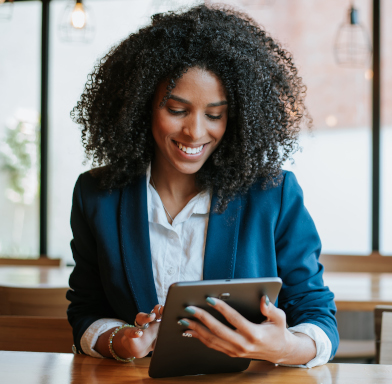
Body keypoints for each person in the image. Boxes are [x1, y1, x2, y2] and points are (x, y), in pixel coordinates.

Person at [66, 4, 338, 367]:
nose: (195, 132)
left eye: (214, 115)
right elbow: (86, 310)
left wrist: (286, 346)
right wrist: (119, 340)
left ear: (237, 116)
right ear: (141, 105)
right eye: (176, 110)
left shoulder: (273, 193)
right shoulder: (96, 195)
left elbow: (318, 315)